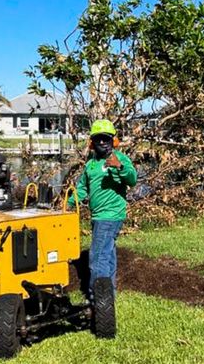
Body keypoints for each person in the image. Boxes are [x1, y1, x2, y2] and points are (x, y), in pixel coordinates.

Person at [68, 119, 137, 296]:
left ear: (113, 141)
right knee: (108, 254)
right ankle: (109, 294)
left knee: (98, 258)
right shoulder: (91, 163)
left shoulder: (119, 158)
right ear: (92, 142)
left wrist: (119, 167)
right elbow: (83, 187)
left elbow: (132, 179)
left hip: (110, 215)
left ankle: (97, 298)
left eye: (105, 139)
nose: (101, 143)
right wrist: (68, 203)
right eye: (98, 139)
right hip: (98, 216)